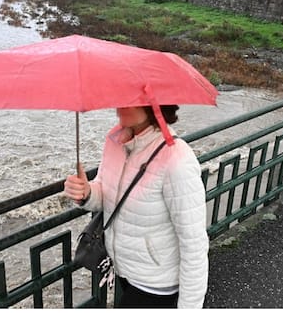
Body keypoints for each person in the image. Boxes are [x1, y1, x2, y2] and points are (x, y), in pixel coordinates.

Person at [63, 105, 209, 308]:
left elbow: (194, 244)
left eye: (133, 99)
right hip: (124, 269)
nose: (121, 105)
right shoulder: (114, 139)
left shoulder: (176, 159)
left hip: (156, 282)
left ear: (155, 104)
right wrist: (86, 193)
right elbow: (107, 197)